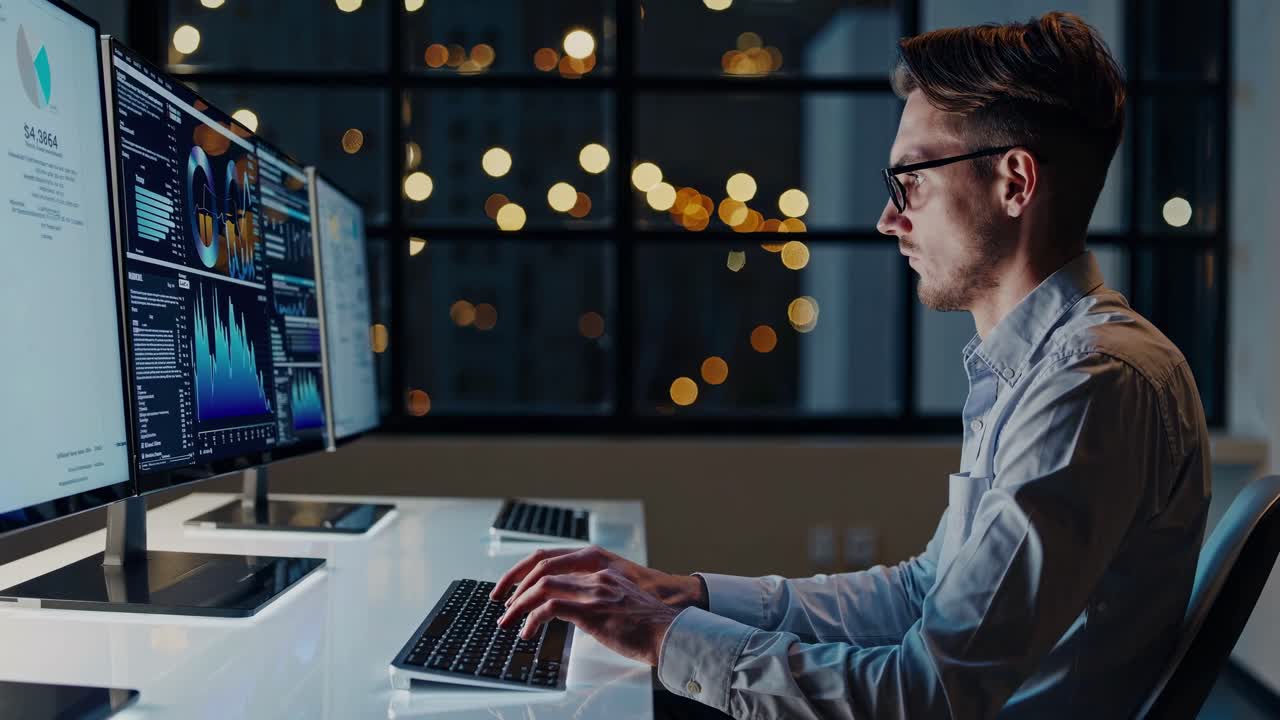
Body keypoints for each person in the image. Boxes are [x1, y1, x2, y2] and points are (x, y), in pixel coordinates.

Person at [491, 11, 1211, 719]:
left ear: (1015, 182)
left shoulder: (1091, 385)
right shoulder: (1044, 367)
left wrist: (657, 633)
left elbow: (924, 694)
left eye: (911, 181)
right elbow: (923, 594)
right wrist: (691, 597)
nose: (888, 219)